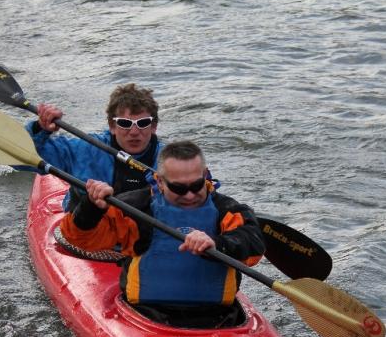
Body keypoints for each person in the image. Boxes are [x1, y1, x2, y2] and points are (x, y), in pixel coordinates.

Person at [59, 140, 265, 326]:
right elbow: (79, 239)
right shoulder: (136, 208)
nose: (190, 195)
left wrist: (217, 244)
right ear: (159, 181)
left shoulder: (227, 210)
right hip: (146, 316)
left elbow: (253, 246)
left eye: (196, 185)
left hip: (220, 318)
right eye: (179, 188)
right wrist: (91, 207)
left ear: (205, 176)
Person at [26, 83, 163, 211]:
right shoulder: (86, 150)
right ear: (112, 126)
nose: (134, 132)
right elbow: (23, 162)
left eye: (143, 123)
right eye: (125, 123)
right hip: (89, 227)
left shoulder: (169, 161)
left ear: (154, 127)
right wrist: (40, 129)